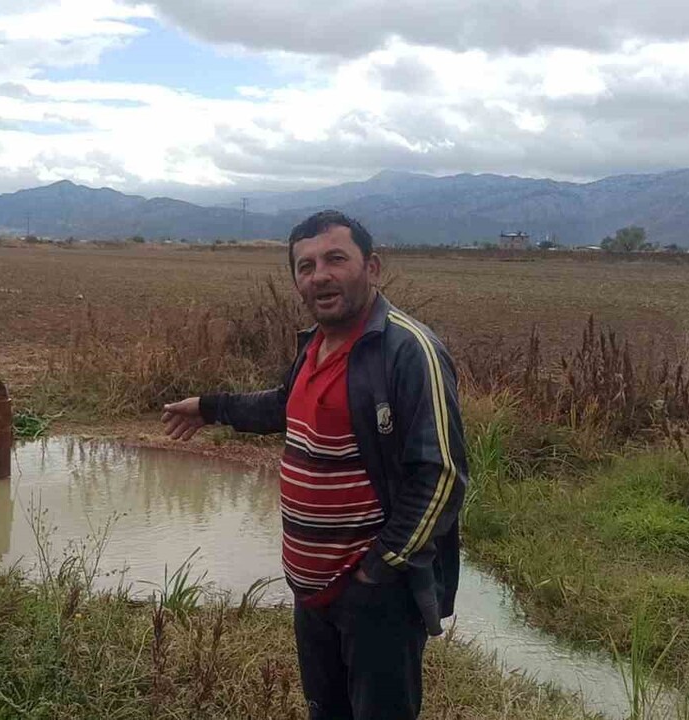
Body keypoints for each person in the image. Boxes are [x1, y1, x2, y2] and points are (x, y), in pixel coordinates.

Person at [161, 210, 468, 720]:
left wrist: (376, 572)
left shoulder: (409, 350)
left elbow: (442, 476)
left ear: (372, 267)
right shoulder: (315, 345)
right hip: (312, 592)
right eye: (305, 266)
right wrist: (210, 407)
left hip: (376, 596)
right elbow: (285, 406)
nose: (319, 276)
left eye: (335, 259)